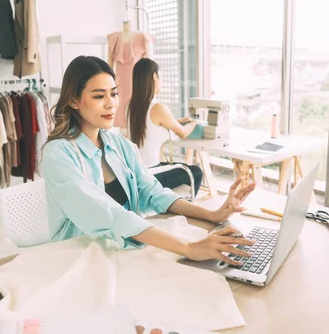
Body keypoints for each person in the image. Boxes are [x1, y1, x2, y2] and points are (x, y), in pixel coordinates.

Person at [41, 56, 256, 265]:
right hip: (77, 260)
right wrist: (189, 248)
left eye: (114, 94)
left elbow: (153, 192)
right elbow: (107, 213)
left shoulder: (120, 145)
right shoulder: (58, 154)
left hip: (121, 253)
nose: (111, 104)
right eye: (99, 96)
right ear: (74, 101)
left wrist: (212, 214)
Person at [127, 58, 202, 196]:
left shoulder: (131, 106)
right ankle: (183, 209)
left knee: (180, 167)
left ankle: (172, 202)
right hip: (153, 175)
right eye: (159, 77)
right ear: (154, 76)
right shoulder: (158, 108)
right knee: (196, 172)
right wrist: (195, 122)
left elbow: (151, 126)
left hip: (137, 174)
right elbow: (183, 133)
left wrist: (178, 121)